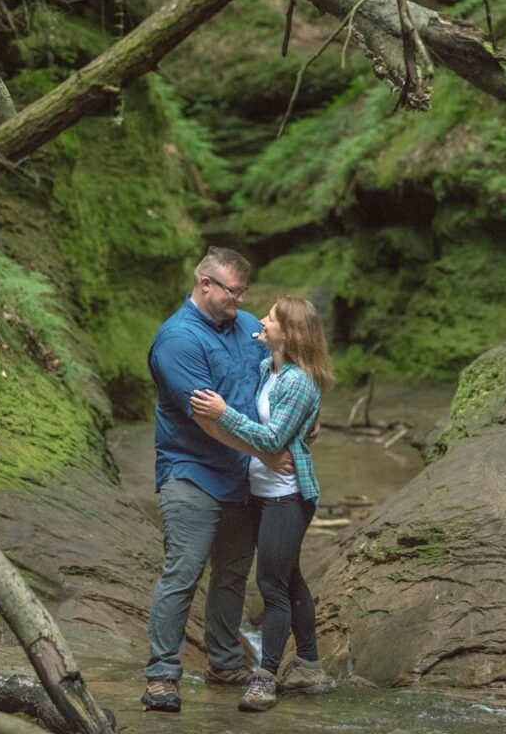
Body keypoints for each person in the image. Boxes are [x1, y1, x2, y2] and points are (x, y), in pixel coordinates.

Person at [141, 246, 291, 713]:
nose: (239, 299)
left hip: (241, 477)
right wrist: (266, 452)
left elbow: (281, 374)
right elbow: (208, 420)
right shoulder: (178, 341)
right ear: (205, 284)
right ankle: (161, 677)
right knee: (183, 573)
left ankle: (225, 662)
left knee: (231, 575)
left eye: (244, 292)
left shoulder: (248, 327)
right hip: (191, 473)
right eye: (232, 291)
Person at [191, 295, 334, 713]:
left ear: (288, 334)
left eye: (270, 318)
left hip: (286, 498)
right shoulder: (268, 368)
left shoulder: (298, 382)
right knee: (289, 580)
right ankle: (309, 665)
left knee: (271, 586)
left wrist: (222, 413)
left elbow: (272, 442)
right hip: (262, 493)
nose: (262, 321)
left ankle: (266, 677)